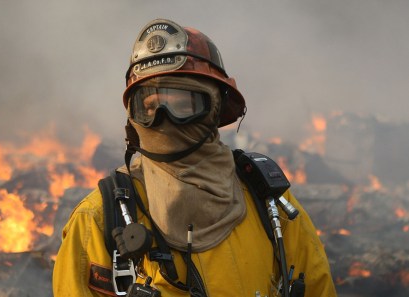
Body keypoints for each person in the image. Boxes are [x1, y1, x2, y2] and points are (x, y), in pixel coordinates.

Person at [53, 18, 337, 297]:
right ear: (133, 117)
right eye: (149, 107)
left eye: (181, 104)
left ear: (215, 107)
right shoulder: (100, 220)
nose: (165, 120)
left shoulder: (268, 199)